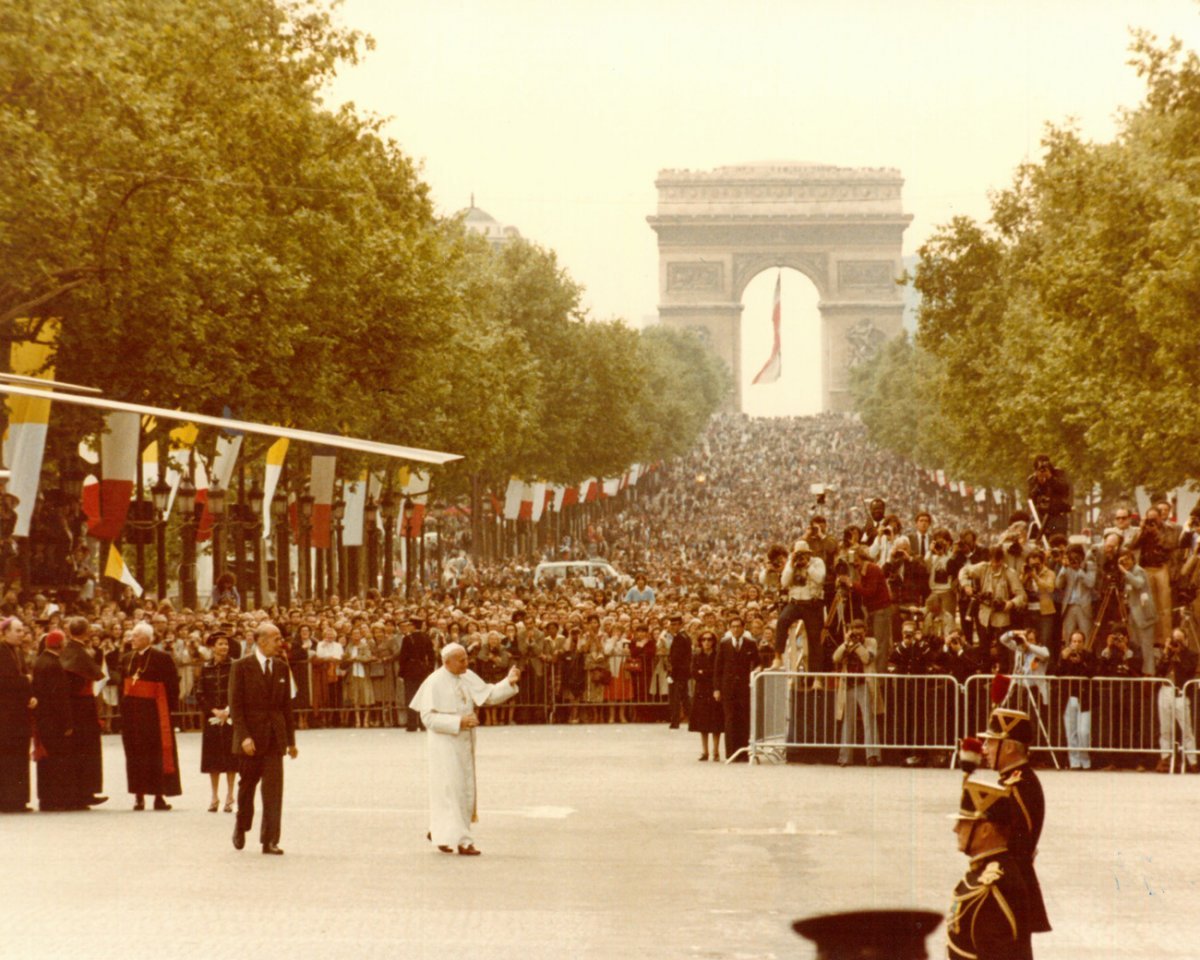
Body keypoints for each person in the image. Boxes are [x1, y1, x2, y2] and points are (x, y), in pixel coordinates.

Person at [411, 642, 520, 855]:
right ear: (446, 662)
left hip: (464, 742)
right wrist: (458, 722)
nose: (466, 663)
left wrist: (508, 682)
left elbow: (486, 695)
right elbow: (428, 718)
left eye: (466, 659)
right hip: (445, 745)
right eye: (461, 660)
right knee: (453, 790)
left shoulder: (466, 675)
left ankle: (439, 830)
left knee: (457, 790)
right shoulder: (434, 682)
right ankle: (463, 841)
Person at [980, 708, 1049, 956]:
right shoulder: (1013, 781)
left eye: (991, 742)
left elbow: (1017, 849)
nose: (984, 749)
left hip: (1010, 890)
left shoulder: (1019, 787)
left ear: (1009, 747)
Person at [946, 773, 1032, 960]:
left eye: (964, 822)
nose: (955, 829)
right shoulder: (992, 870)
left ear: (985, 830)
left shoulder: (992, 887)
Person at [230, 622, 297, 855]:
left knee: (273, 791)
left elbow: (286, 707)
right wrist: (244, 737)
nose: (281, 643)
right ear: (262, 641)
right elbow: (236, 707)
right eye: (276, 638)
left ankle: (270, 840)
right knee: (247, 788)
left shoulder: (280, 667)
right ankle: (241, 824)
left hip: (274, 739)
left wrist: (291, 740)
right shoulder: (241, 667)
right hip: (250, 739)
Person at [119, 622, 181, 810]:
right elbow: (123, 684)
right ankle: (138, 796)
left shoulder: (162, 658)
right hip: (133, 714)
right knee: (135, 754)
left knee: (156, 754)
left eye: (136, 636)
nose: (132, 640)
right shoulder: (127, 658)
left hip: (154, 714)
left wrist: (168, 711)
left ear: (146, 638)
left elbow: (172, 685)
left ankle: (158, 796)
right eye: (131, 636)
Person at [61, 617, 106, 808]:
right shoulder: (80, 652)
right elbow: (96, 673)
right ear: (86, 632)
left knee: (81, 751)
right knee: (86, 751)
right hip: (82, 705)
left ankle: (84, 791)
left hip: (77, 705)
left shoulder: (69, 650)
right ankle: (84, 792)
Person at [31, 630, 76, 811]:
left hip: (43, 717)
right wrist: (67, 722)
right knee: (58, 759)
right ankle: (56, 799)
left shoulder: (40, 661)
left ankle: (46, 798)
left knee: (46, 760)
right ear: (61, 645)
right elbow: (60, 697)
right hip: (55, 720)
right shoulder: (55, 664)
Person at [196, 632, 237, 812]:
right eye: (220, 644)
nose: (224, 647)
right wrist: (214, 711)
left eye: (226, 644)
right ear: (213, 647)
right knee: (213, 759)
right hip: (212, 717)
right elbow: (200, 694)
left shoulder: (235, 665)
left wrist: (227, 711)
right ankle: (214, 796)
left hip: (230, 717)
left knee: (231, 757)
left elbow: (239, 690)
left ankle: (230, 795)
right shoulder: (206, 667)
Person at [833, 619, 881, 768]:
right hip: (848, 685)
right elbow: (835, 658)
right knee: (847, 722)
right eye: (855, 633)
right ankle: (845, 757)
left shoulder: (871, 642)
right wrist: (846, 643)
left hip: (864, 685)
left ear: (865, 632)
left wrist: (858, 645)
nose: (857, 636)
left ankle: (872, 755)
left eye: (860, 633)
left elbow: (867, 658)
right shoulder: (847, 643)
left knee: (869, 720)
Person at [714, 615, 758, 763]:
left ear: (743, 628)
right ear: (729, 628)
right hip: (728, 688)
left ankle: (744, 752)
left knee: (744, 719)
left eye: (738, 626)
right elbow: (718, 668)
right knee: (730, 719)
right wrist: (717, 688)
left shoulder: (750, 644)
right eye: (733, 626)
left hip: (744, 688)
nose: (736, 629)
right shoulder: (724, 644)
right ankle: (731, 752)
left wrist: (755, 673)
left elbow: (758, 663)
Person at [1154, 628, 1198, 773]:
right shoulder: (1167, 653)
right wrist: (1167, 652)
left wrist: (1179, 654)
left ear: (1186, 640)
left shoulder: (1191, 655)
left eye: (1180, 640)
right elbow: (1159, 670)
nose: (1177, 643)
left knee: (1187, 730)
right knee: (1165, 729)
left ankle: (1192, 761)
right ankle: (1165, 758)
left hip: (1180, 693)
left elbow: (1188, 671)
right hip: (1165, 690)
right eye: (1175, 639)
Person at [689, 630, 723, 761]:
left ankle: (716, 751)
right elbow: (694, 673)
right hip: (701, 691)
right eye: (704, 639)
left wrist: (704, 672)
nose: (707, 642)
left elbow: (717, 672)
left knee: (716, 723)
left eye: (709, 640)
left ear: (714, 642)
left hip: (714, 689)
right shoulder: (697, 656)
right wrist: (705, 673)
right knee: (702, 723)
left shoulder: (718, 655)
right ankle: (705, 751)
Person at [398, 618, 435, 732]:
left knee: (410, 696)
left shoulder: (407, 639)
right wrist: (430, 668)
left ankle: (412, 724)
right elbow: (431, 654)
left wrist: (401, 673)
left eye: (410, 625)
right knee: (423, 696)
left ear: (413, 626)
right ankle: (424, 723)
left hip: (410, 669)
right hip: (423, 669)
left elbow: (403, 657)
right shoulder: (426, 637)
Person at [666, 613, 691, 729]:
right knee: (684, 697)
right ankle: (691, 719)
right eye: (672, 624)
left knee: (676, 697)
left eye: (675, 624)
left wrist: (672, 672)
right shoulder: (684, 636)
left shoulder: (680, 637)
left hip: (678, 671)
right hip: (682, 671)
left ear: (681, 624)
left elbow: (677, 658)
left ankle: (675, 721)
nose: (673, 627)